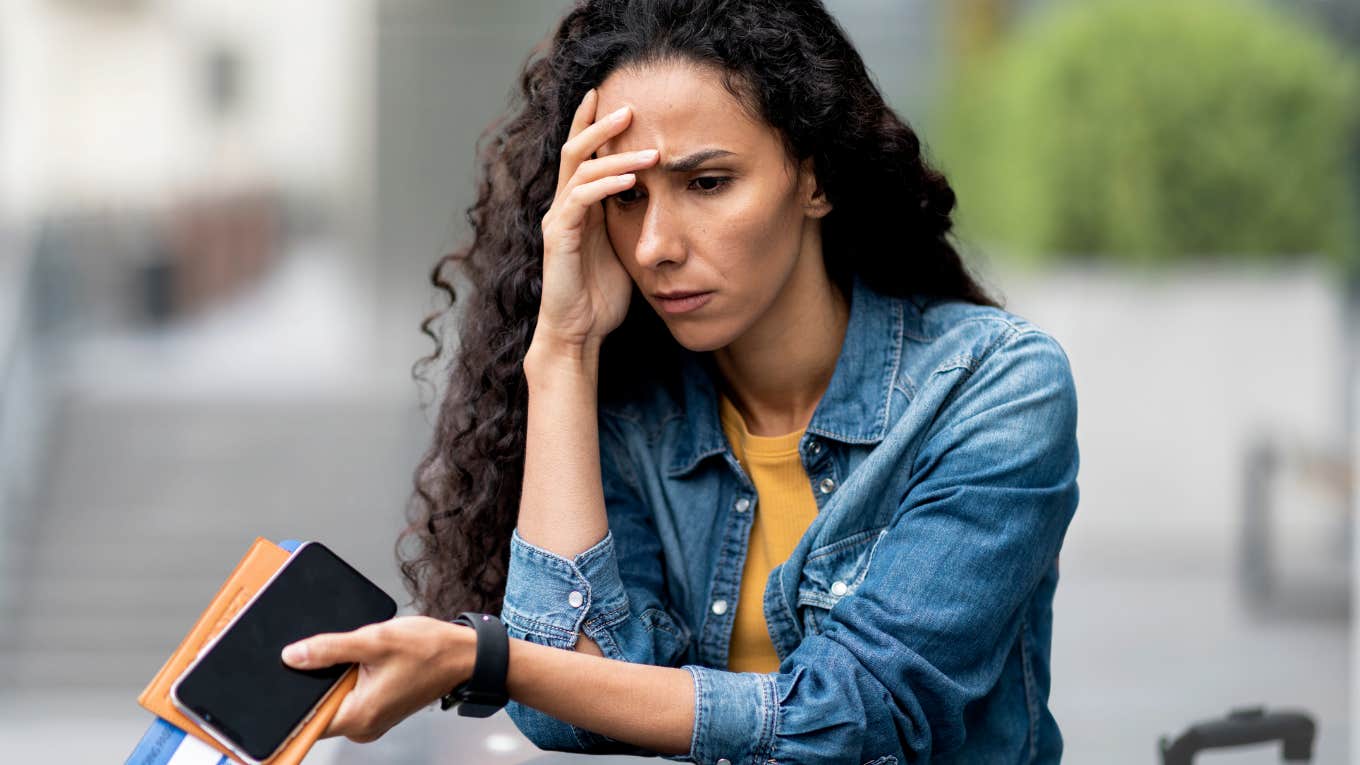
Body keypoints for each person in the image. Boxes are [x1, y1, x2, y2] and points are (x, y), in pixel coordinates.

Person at [280, 0, 1080, 762]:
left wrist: (480, 658)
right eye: (626, 196)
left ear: (815, 178)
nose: (657, 244)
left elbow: (853, 719)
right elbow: (567, 700)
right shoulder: (636, 408)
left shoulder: (989, 388)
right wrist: (562, 350)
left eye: (707, 183)